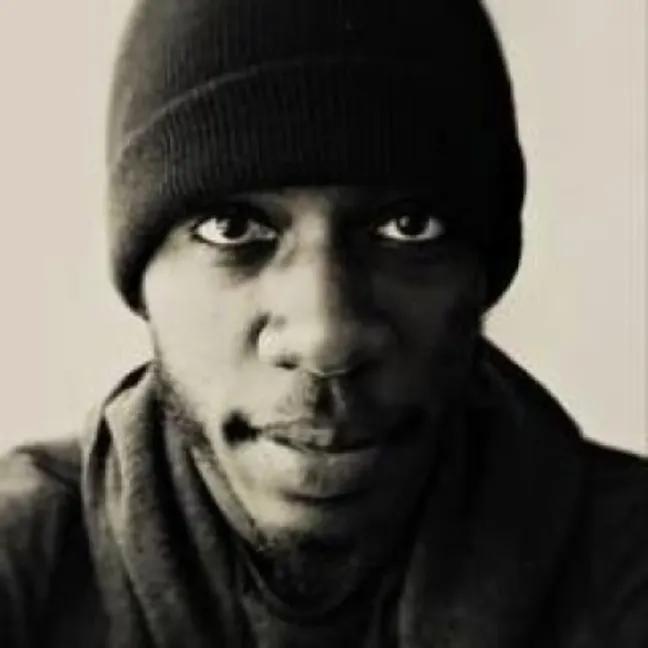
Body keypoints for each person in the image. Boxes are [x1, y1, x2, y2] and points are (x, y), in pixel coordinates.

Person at [1, 0, 646, 646]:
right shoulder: (25, 561)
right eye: (232, 228)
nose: (325, 336)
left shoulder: (624, 562)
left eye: (409, 226)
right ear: (141, 279)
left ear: (484, 272)